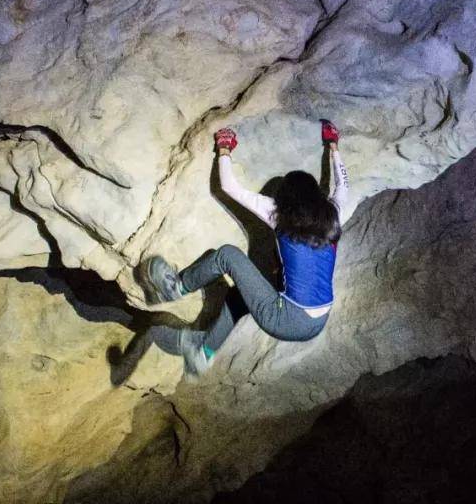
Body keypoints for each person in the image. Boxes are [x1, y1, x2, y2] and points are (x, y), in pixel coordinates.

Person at [141, 119, 349, 377]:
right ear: (315, 196)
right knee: (241, 295)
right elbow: (342, 186)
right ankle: (203, 352)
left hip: (288, 318)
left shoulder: (279, 214)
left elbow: (229, 187)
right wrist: (333, 145)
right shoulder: (334, 215)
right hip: (318, 322)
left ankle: (176, 287)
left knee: (228, 255)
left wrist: (225, 149)